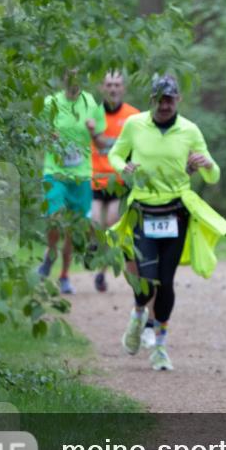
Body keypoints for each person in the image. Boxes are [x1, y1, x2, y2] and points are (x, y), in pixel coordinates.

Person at [108, 75, 226, 371]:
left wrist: (207, 165)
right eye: (159, 100)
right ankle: (138, 315)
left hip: (176, 212)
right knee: (145, 279)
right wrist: (124, 167)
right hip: (142, 210)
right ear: (151, 100)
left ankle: (160, 347)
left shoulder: (189, 130)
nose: (164, 105)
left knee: (165, 283)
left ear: (178, 100)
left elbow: (213, 175)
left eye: (170, 99)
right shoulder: (135, 124)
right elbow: (115, 154)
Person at [38, 67, 107, 294]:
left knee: (73, 229)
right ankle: (50, 254)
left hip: (81, 176)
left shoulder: (91, 104)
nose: (74, 79)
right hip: (55, 172)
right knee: (54, 218)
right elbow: (38, 135)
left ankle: (65, 275)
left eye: (78, 75)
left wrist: (94, 132)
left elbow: (101, 145)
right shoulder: (50, 103)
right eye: (70, 74)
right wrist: (48, 136)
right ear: (63, 77)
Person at [92, 69, 141, 293]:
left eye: (117, 84)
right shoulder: (92, 114)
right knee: (94, 224)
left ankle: (101, 272)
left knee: (111, 225)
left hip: (118, 180)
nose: (113, 89)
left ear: (123, 88)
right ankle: (94, 253)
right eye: (109, 84)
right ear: (102, 88)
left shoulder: (133, 116)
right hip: (94, 179)